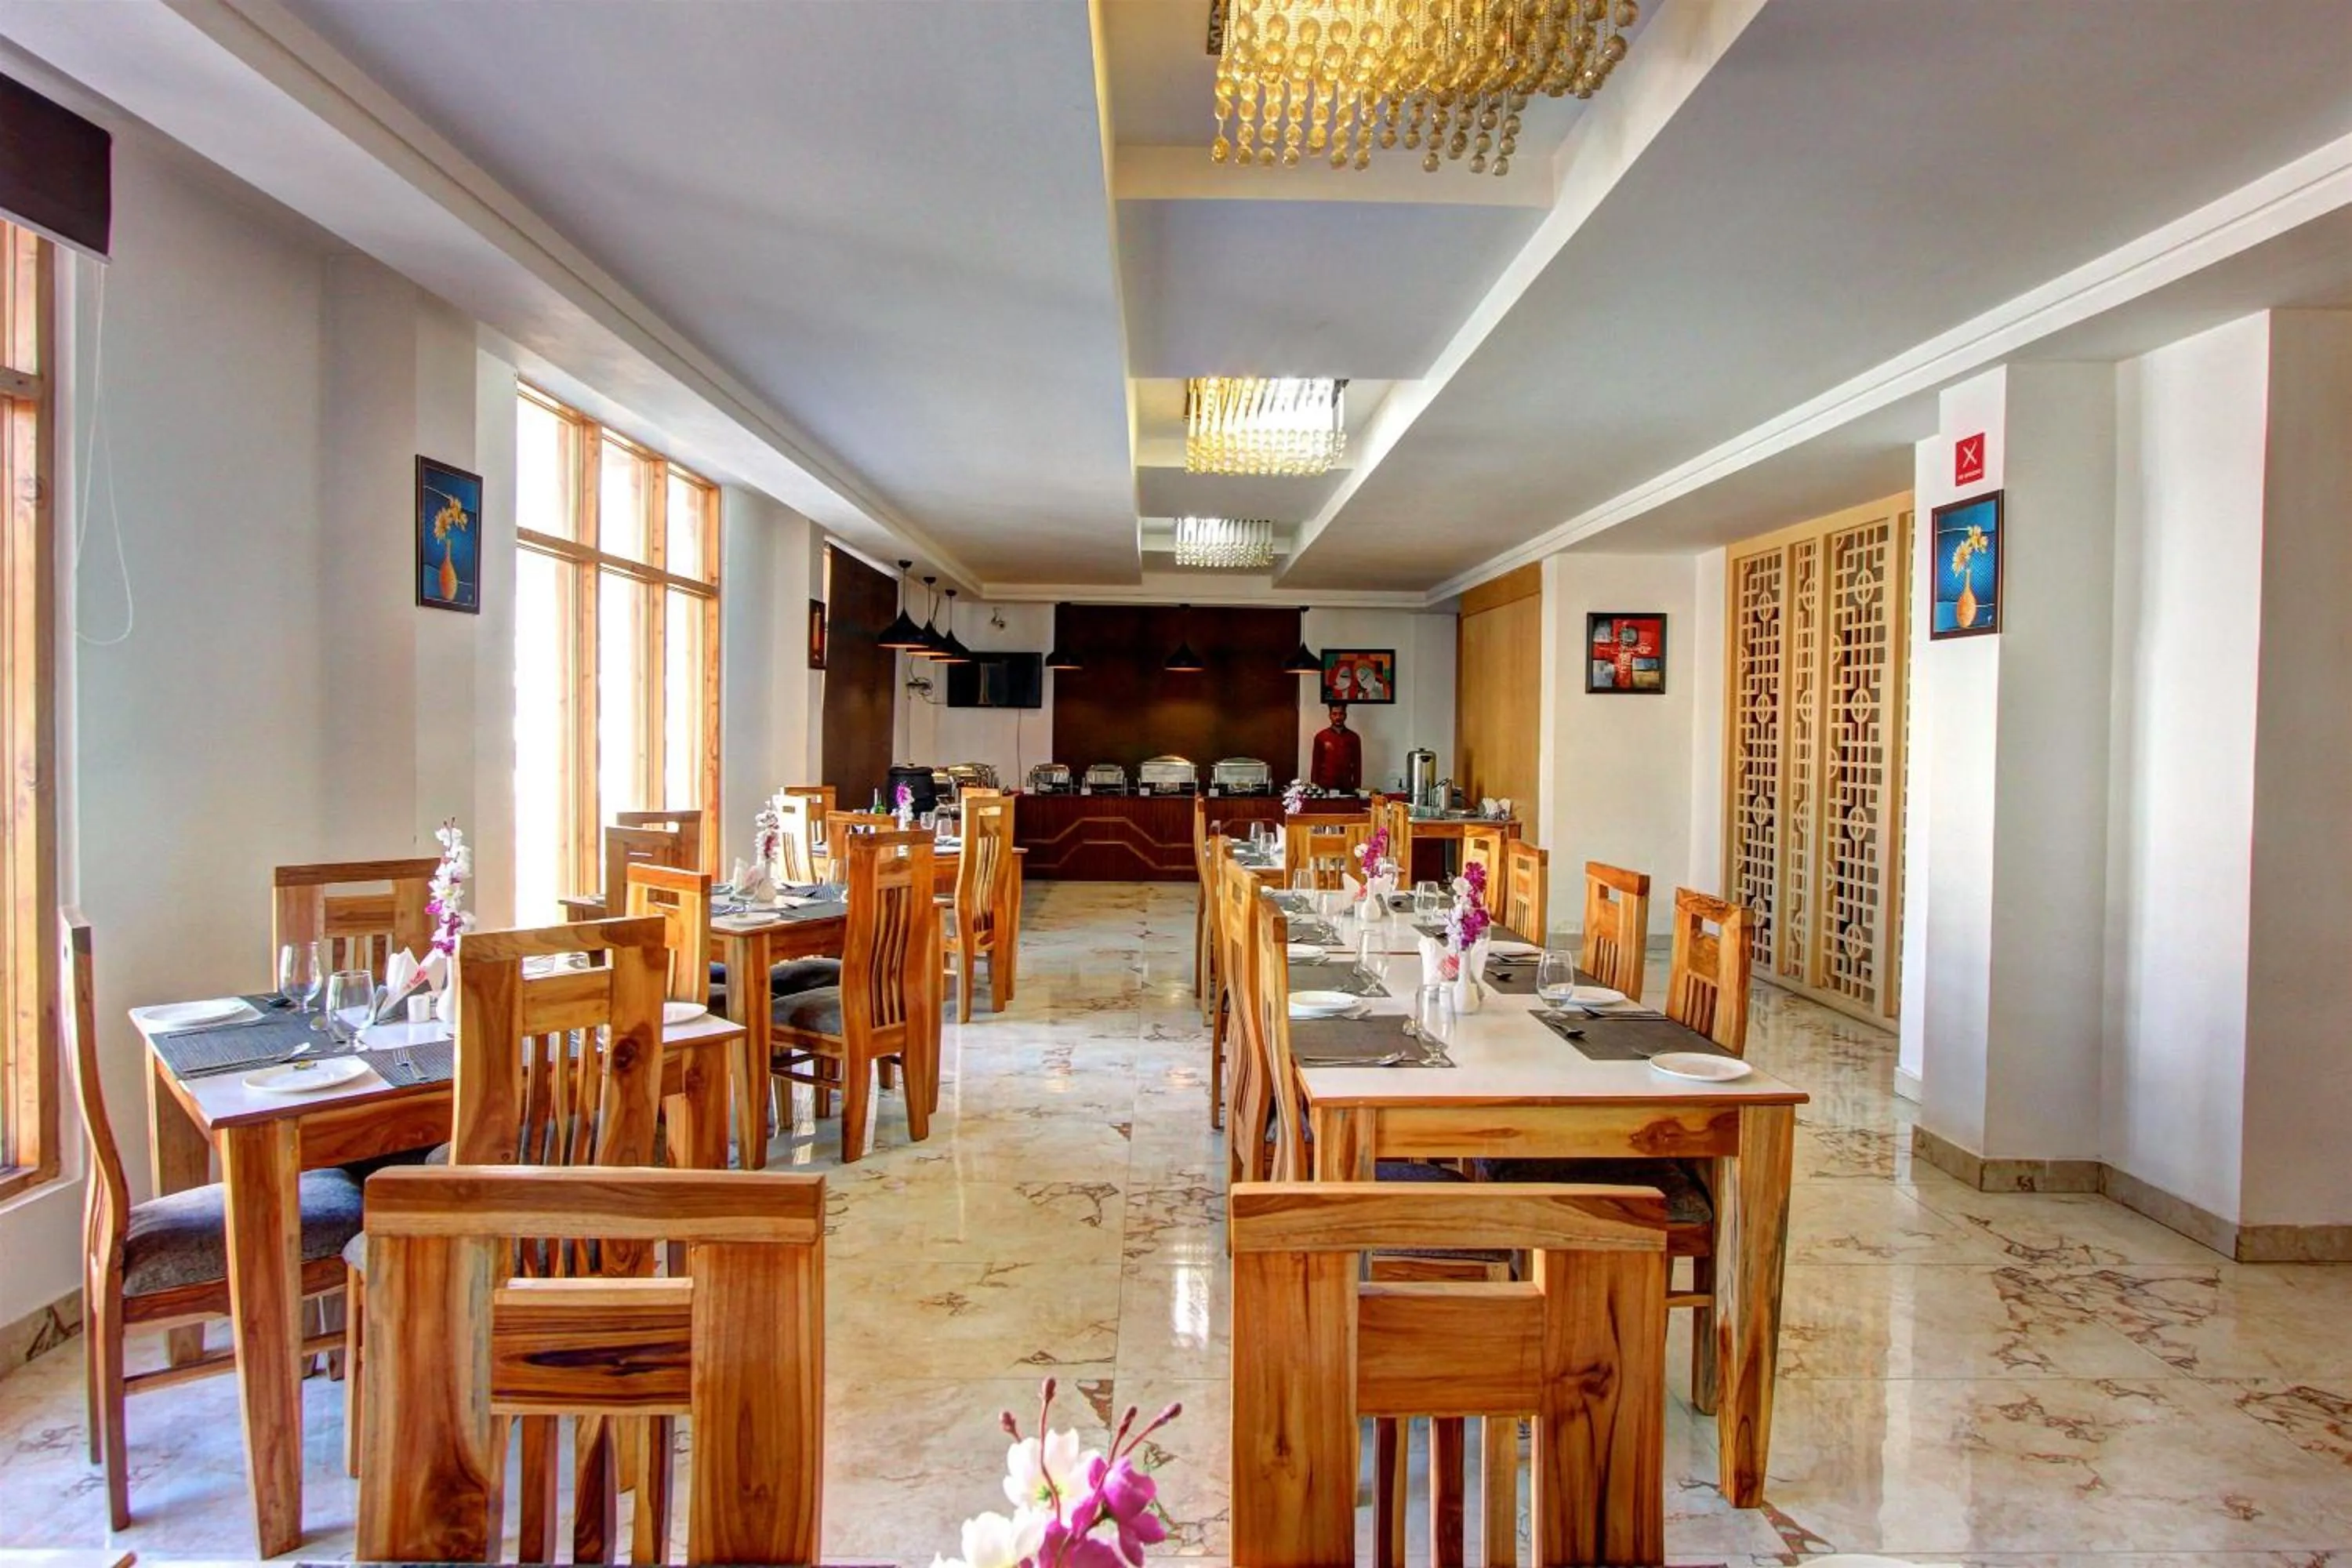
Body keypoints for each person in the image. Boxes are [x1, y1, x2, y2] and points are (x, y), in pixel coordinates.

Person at [1309, 703, 1362, 794]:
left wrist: (1357, 787)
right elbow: (1316, 764)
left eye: (1341, 714)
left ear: (1345, 715)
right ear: (1330, 716)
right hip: (1325, 787)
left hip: (1346, 787)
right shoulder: (1321, 736)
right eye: (1334, 714)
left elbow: (1357, 764)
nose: (1338, 717)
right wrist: (1314, 786)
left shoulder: (1353, 737)